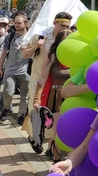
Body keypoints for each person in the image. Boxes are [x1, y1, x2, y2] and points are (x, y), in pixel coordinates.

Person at [21, 12, 72, 143]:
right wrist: (36, 46)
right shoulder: (41, 36)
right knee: (36, 108)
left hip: (56, 80)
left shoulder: (69, 38)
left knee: (52, 110)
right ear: (55, 23)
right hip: (39, 78)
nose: (65, 28)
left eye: (68, 25)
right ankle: (35, 137)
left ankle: (50, 140)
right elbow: (25, 55)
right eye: (62, 25)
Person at [32, 29, 72, 162]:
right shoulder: (52, 56)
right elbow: (42, 78)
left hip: (73, 97)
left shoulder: (77, 57)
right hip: (56, 97)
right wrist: (37, 98)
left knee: (72, 128)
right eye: (63, 43)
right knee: (58, 130)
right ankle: (56, 158)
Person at [0, 14, 31, 125]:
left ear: (25, 23)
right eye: (15, 23)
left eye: (19, 23)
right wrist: (0, 68)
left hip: (24, 71)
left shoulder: (31, 37)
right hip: (10, 70)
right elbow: (3, 53)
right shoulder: (10, 36)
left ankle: (21, 114)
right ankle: (6, 109)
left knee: (24, 96)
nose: (16, 25)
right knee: (8, 92)